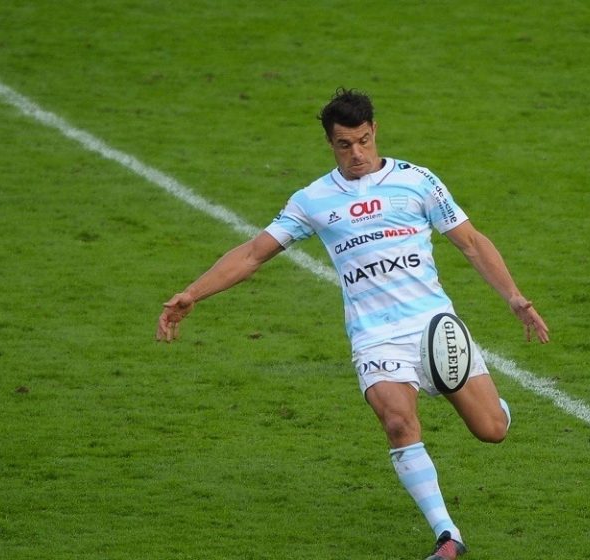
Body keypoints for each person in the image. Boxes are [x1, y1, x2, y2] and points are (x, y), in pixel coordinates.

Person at [156, 88, 549, 560]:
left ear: (374, 131)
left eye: (363, 141)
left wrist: (514, 297)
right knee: (399, 422)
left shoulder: (417, 180)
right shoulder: (313, 200)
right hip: (374, 335)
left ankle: (495, 405)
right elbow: (252, 253)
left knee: (492, 431)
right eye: (345, 145)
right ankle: (448, 536)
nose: (357, 153)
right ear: (330, 143)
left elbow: (470, 241)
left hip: (433, 326)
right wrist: (192, 293)